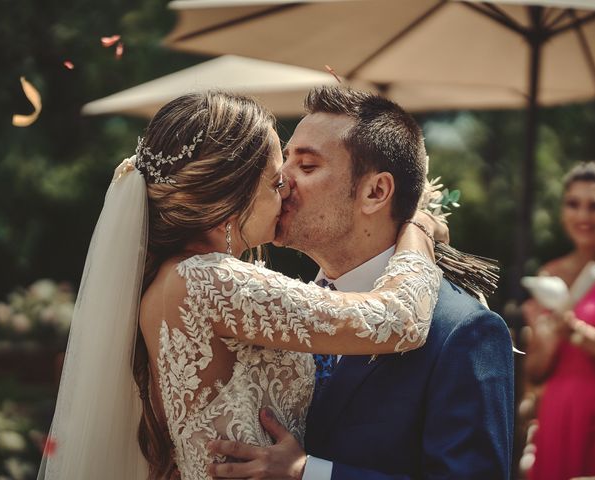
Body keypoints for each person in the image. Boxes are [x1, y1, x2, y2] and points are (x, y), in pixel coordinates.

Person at [37, 91, 447, 480]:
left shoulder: (169, 280)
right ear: (231, 194)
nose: (286, 189)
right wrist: (418, 227)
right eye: (274, 181)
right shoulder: (209, 281)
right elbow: (399, 320)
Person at [207, 86, 515, 479]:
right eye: (285, 161)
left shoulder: (463, 330)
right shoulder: (280, 306)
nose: (280, 181)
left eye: (306, 166)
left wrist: (310, 473)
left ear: (375, 191)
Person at [523, 162, 595, 480]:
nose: (583, 216)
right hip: (561, 411)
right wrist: (546, 340)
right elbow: (534, 372)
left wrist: (580, 335)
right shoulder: (548, 274)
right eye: (573, 204)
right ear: (562, 212)